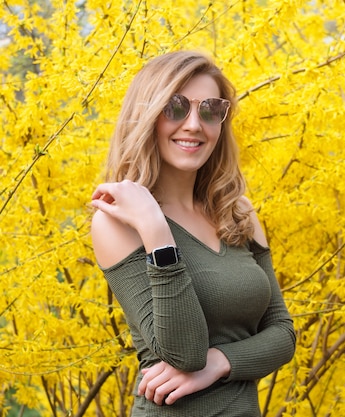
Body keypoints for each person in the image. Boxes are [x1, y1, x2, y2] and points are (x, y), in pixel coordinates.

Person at [90, 50, 296, 416]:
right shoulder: (117, 222)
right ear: (146, 115)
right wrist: (155, 229)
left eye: (210, 110)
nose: (193, 124)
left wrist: (220, 362)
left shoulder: (237, 212)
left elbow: (282, 333)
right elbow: (183, 352)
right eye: (175, 107)